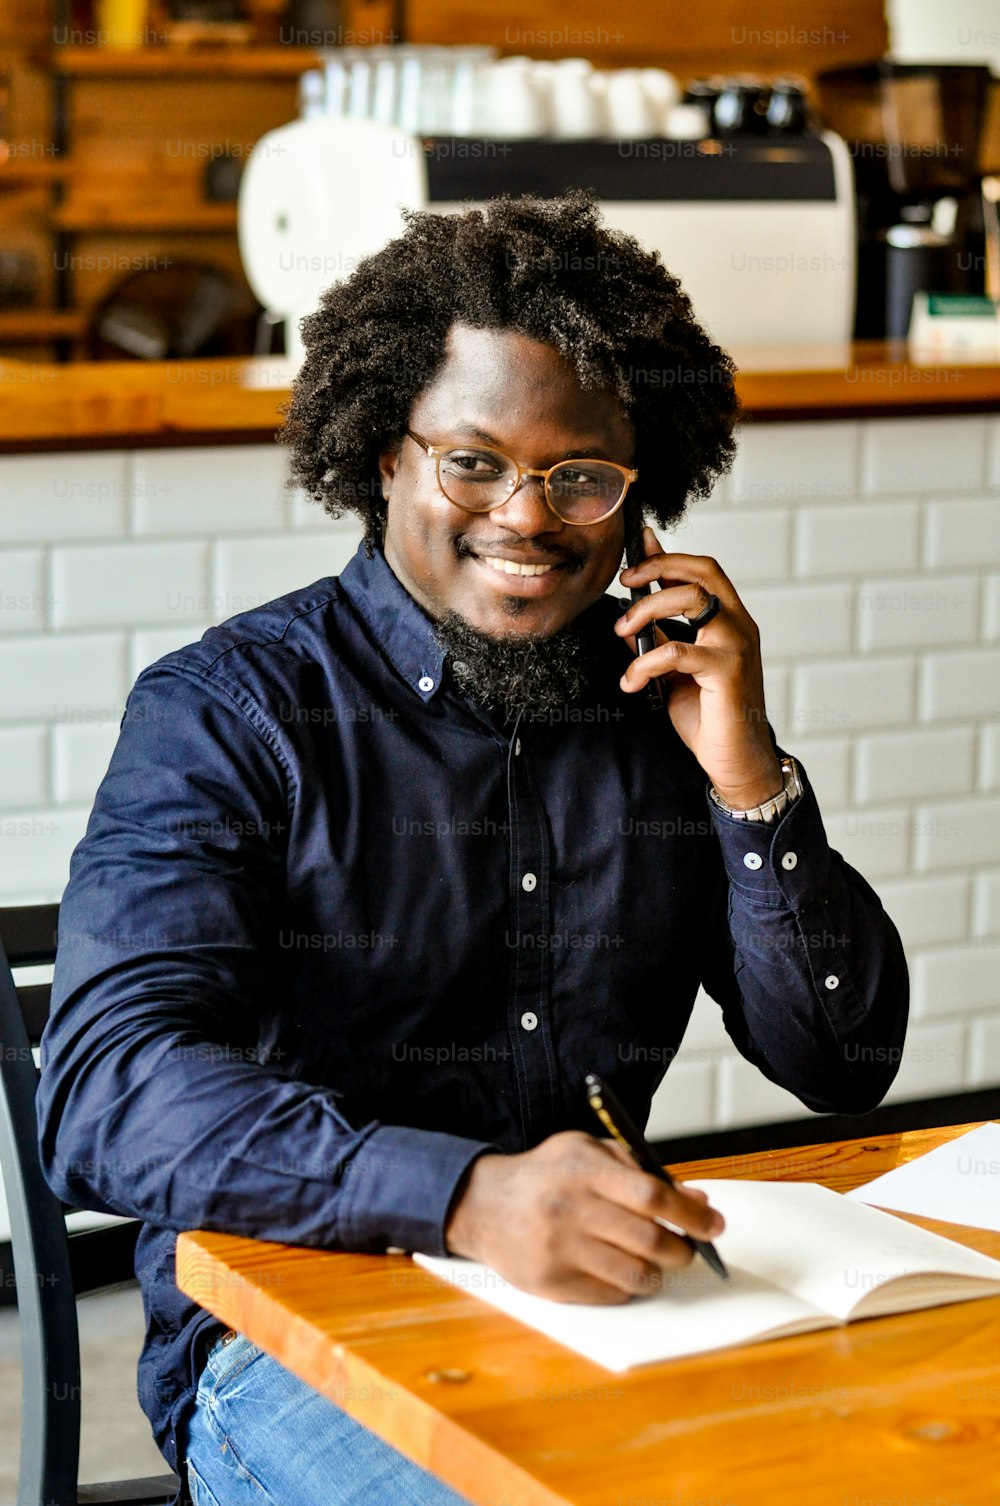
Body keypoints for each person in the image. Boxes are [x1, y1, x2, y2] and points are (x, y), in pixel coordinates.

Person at [37, 192, 908, 1506]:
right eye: (476, 460)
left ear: (641, 498)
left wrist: (747, 771)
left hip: (610, 1308)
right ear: (383, 451)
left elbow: (843, 1062)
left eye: (583, 475)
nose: (529, 514)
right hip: (286, 1337)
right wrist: (465, 1195)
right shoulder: (229, 710)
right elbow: (107, 1087)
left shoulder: (665, 707)